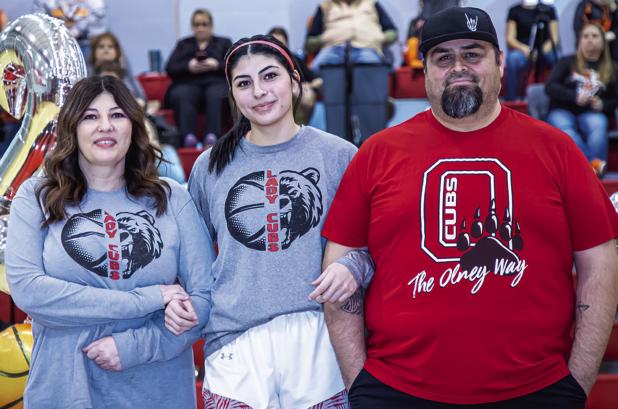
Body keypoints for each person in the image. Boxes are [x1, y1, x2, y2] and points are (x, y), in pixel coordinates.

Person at [322, 6, 618, 409]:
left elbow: (598, 260)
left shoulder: (557, 150)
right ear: (423, 71)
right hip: (396, 389)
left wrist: (576, 384)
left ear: (499, 62)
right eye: (443, 58)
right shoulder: (377, 153)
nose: (458, 66)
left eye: (472, 54)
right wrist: (360, 384)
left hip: (537, 389)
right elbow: (340, 263)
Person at [170, 34, 371, 408]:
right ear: (233, 94)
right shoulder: (209, 165)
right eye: (244, 83)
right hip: (235, 338)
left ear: (295, 81)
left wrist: (352, 268)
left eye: (270, 77)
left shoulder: (340, 155)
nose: (259, 92)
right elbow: (188, 258)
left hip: (318, 335)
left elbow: (372, 247)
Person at [5, 76, 215, 409]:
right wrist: (148, 298)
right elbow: (29, 290)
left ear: (134, 125)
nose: (105, 126)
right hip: (64, 390)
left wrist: (134, 346)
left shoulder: (172, 197)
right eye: (90, 116)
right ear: (72, 127)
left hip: (156, 391)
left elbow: (204, 300)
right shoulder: (37, 196)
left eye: (117, 115)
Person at [546, 23, 618, 177]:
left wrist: (603, 104)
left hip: (591, 112)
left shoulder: (612, 68)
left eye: (594, 36)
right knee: (566, 131)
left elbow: (615, 99)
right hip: (562, 109)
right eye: (586, 36)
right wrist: (574, 97)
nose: (590, 40)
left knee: (599, 125)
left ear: (603, 42)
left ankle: (589, 173)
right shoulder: (566, 61)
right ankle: (593, 167)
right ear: (579, 41)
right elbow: (550, 87)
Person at [165, 9, 232, 147]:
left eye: (204, 24)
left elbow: (234, 65)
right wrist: (188, 66)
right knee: (183, 93)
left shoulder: (223, 43)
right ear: (192, 27)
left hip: (216, 82)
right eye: (196, 24)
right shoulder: (183, 44)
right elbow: (170, 67)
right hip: (189, 82)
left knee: (216, 93)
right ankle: (187, 137)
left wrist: (216, 64)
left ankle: (213, 136)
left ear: (211, 26)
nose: (200, 28)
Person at [305, 0, 397, 72]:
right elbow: (309, 42)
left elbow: (392, 32)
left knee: (375, 73)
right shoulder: (325, 6)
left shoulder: (371, 3)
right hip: (333, 49)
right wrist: (326, 38)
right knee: (315, 70)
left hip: (366, 48)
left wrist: (380, 38)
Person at [505, 0, 560, 100]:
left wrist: (540, 51)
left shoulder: (548, 10)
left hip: (545, 49)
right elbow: (510, 39)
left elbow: (554, 38)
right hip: (523, 50)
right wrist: (525, 49)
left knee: (558, 59)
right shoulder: (514, 11)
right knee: (512, 59)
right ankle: (511, 100)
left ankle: (557, 98)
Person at [268, 26, 323, 124]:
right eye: (273, 44)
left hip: (296, 98)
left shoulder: (295, 60)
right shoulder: (262, 64)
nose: (277, 48)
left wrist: (308, 86)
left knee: (312, 100)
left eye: (280, 44)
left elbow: (317, 80)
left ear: (286, 45)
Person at [32, 0, 106, 58]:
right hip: (55, 45)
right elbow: (39, 19)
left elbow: (96, 18)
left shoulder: (95, 2)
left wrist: (77, 30)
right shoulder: (45, 2)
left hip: (86, 44)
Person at [89, 32, 146, 104]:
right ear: (94, 52)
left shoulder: (126, 74)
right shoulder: (86, 75)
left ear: (117, 52)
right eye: (101, 46)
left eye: (110, 47)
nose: (106, 50)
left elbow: (141, 99)